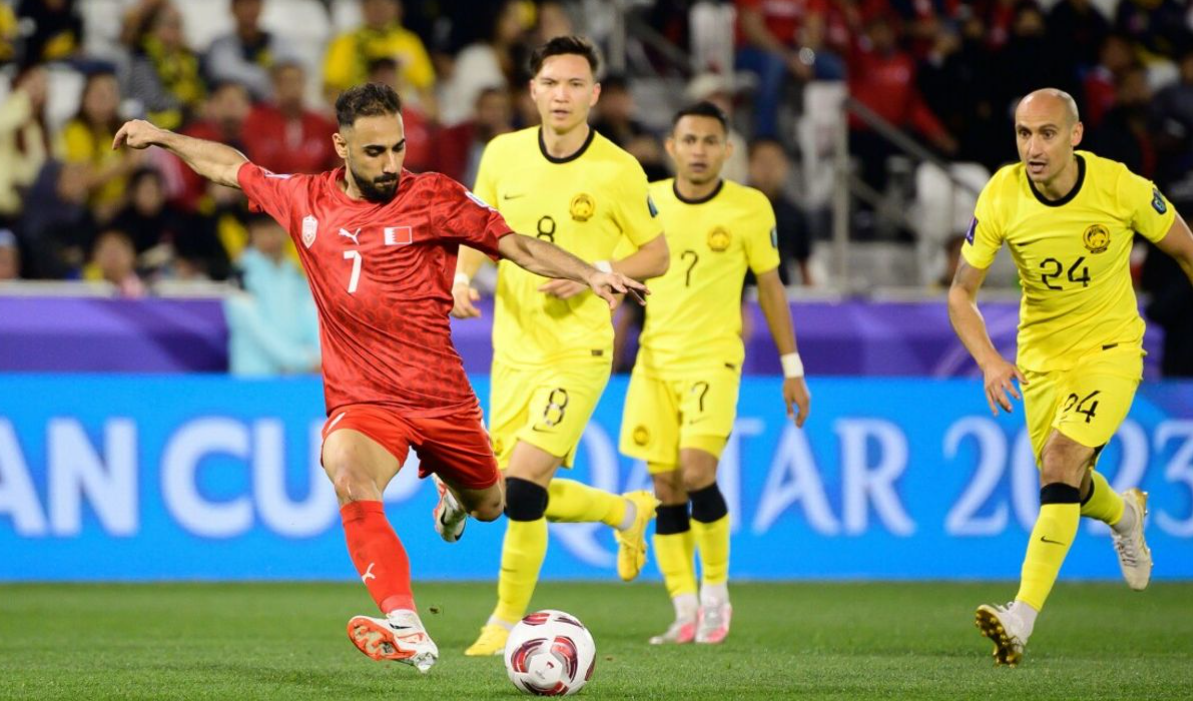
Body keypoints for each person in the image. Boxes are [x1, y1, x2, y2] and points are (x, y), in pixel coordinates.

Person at [113, 81, 645, 673]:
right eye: (374, 153)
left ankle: (454, 493)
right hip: (365, 400)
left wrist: (592, 273)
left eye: (398, 149)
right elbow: (232, 167)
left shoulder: (437, 198)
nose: (391, 164)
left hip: (441, 398)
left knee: (493, 504)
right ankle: (406, 624)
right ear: (340, 146)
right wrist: (162, 137)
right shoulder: (305, 200)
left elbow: (515, 244)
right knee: (346, 471)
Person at [948, 88, 1193, 666]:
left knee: (1059, 464)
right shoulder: (1002, 193)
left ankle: (1020, 618)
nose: (1033, 147)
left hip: (1109, 350)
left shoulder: (1120, 187)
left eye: (1047, 134)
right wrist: (989, 359)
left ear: (1075, 135)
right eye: (1023, 133)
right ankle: (1126, 514)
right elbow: (961, 292)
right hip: (1040, 361)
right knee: (1068, 482)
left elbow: (1186, 248)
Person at [451, 36, 670, 656]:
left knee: (520, 491)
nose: (562, 95)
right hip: (513, 351)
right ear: (533, 90)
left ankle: (504, 625)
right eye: (551, 83)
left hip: (579, 351)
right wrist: (463, 279)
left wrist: (596, 268)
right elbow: (477, 226)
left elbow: (657, 253)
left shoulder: (619, 169)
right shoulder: (502, 155)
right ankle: (625, 513)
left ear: (595, 95)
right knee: (497, 490)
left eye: (576, 84)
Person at [620, 102, 811, 646]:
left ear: (728, 151)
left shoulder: (750, 208)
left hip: (714, 358)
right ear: (672, 147)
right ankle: (683, 610)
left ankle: (715, 597)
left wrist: (791, 368)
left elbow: (771, 288)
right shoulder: (647, 201)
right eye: (690, 140)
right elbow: (617, 270)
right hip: (655, 360)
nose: (699, 150)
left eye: (710, 141)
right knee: (665, 484)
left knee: (698, 470)